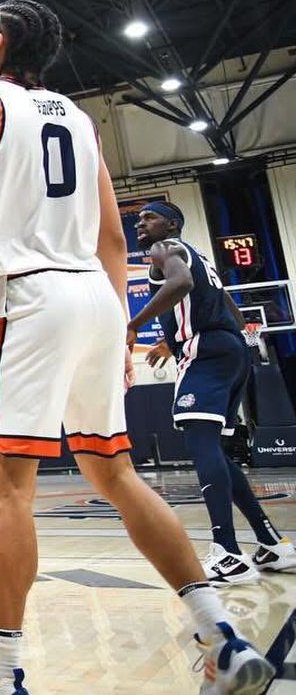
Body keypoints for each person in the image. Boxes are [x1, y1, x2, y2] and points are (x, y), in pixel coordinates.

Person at [0, 0, 271, 695]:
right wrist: (116, 327)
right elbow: (111, 237)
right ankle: (218, 632)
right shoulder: (79, 119)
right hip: (95, 298)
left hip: (27, 299)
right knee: (116, 471)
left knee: (9, 485)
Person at [129, 202, 296, 583]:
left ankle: (228, 554)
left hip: (205, 351)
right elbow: (226, 305)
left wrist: (133, 325)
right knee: (217, 451)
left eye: (149, 217)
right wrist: (241, 341)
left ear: (172, 224)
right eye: (138, 219)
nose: (141, 223)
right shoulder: (201, 258)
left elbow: (181, 284)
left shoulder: (165, 248)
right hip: (231, 351)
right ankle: (273, 543)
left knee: (201, 445)